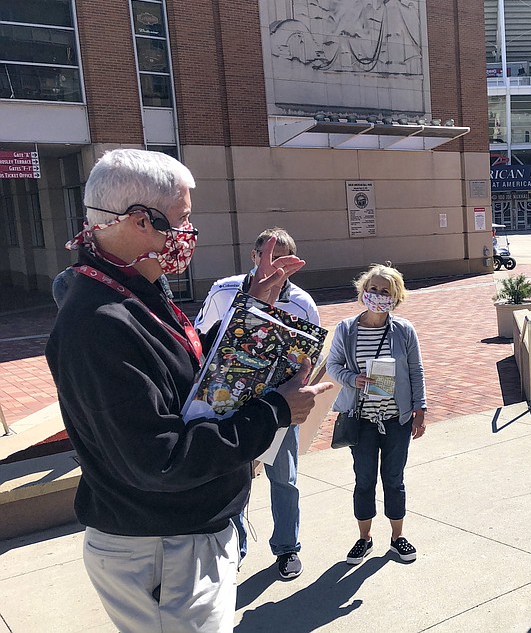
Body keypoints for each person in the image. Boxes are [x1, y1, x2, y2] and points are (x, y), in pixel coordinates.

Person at [45, 149, 332, 632]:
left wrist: (253, 312)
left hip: (179, 539)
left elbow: (197, 390)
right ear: (139, 221)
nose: (189, 236)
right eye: (181, 221)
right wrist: (274, 412)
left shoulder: (132, 289)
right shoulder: (99, 323)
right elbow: (161, 457)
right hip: (164, 550)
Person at [193, 227, 321, 580]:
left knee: (285, 480)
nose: (272, 265)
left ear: (293, 263)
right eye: (265, 255)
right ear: (253, 256)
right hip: (231, 406)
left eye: (282, 258)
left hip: (280, 407)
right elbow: (201, 344)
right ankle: (235, 549)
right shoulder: (224, 290)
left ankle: (287, 548)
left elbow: (310, 355)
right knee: (234, 480)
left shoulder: (303, 303)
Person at [326, 263, 427, 565]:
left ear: (395, 297)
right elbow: (333, 366)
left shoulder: (404, 330)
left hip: (396, 418)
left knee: (394, 479)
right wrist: (351, 378)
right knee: (364, 479)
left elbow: (415, 370)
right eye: (374, 289)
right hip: (362, 419)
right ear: (363, 291)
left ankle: (397, 538)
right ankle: (364, 538)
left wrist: (420, 408)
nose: (378, 295)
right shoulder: (346, 329)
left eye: (386, 291)